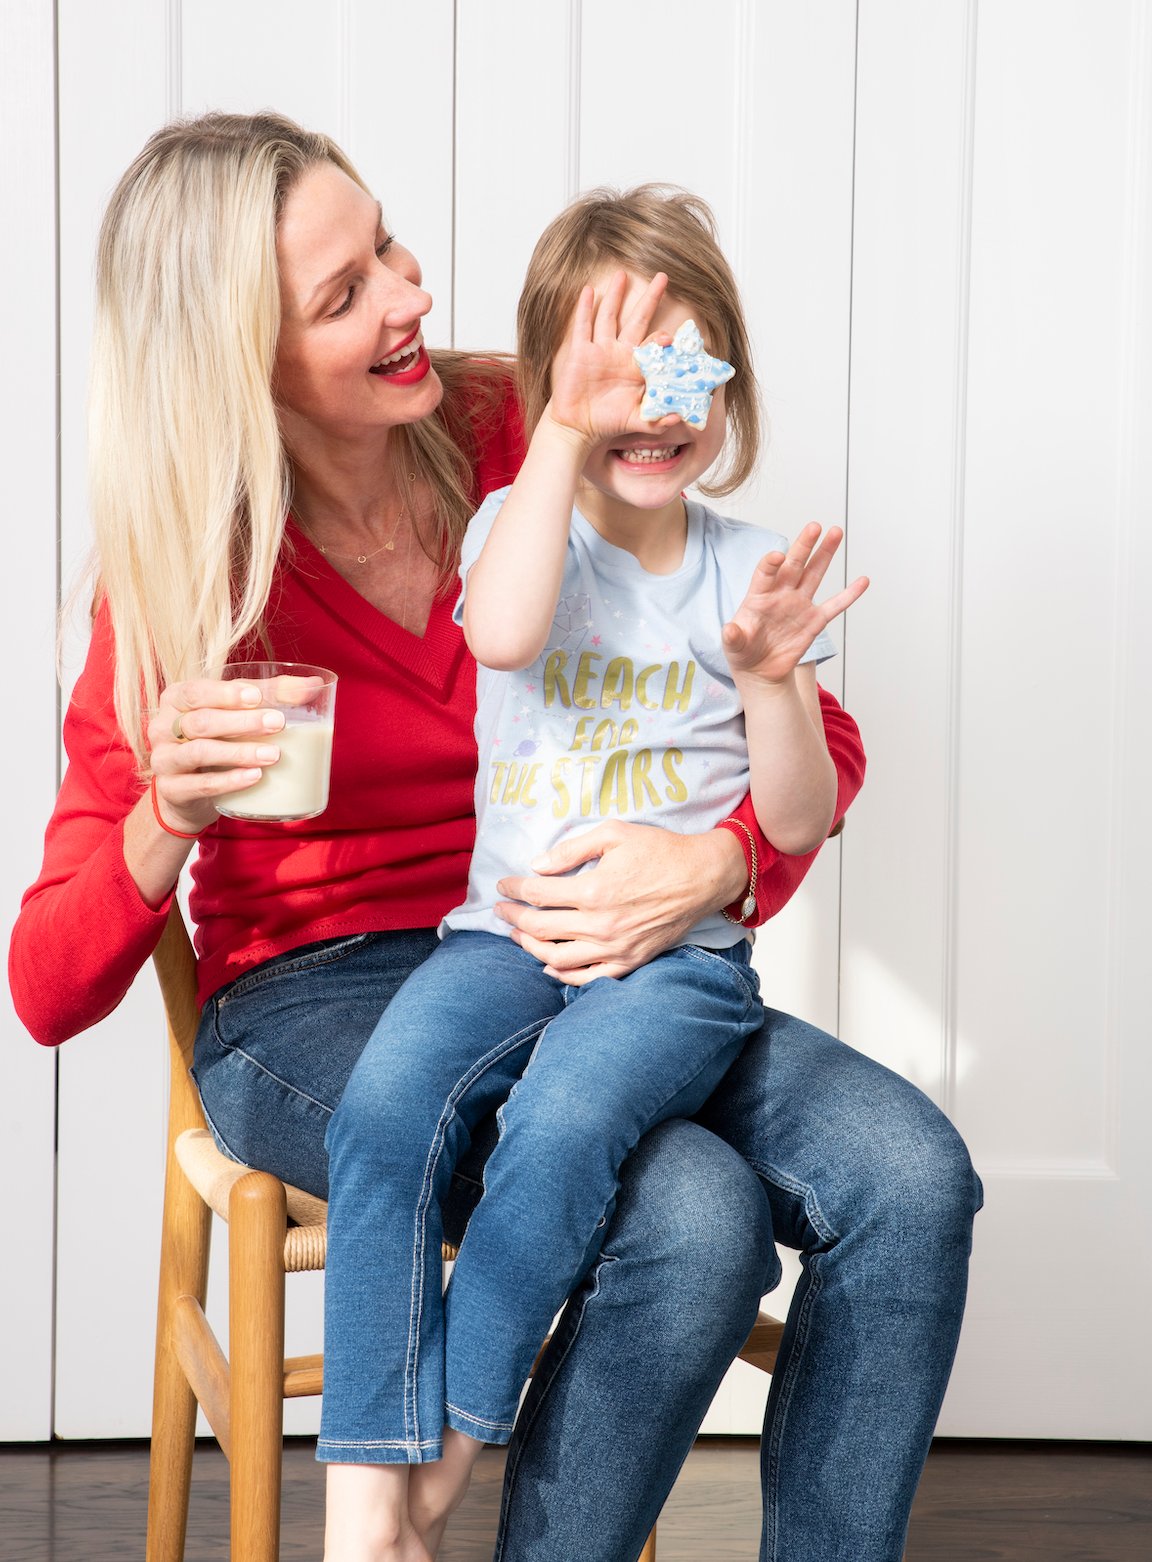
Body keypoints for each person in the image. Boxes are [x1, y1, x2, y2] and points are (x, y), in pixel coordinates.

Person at [7, 111, 981, 1562]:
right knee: (693, 1215)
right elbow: (46, 979)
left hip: (600, 944)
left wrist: (713, 866)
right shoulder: (183, 570)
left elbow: (804, 731)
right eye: (344, 296)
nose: (410, 293)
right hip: (316, 994)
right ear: (239, 362)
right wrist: (168, 813)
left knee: (910, 1174)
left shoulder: (530, 425)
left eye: (387, 244)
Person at [323, 185, 871, 1552]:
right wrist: (561, 425)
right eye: (612, 370)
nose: (651, 402)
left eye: (685, 368)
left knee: (564, 1119)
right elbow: (504, 636)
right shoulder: (519, 520)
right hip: (502, 940)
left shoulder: (749, 577)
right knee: (386, 1103)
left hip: (672, 971)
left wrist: (771, 679)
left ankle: (453, 1443)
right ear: (560, 382)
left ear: (727, 387)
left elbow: (795, 823)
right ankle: (372, 1468)